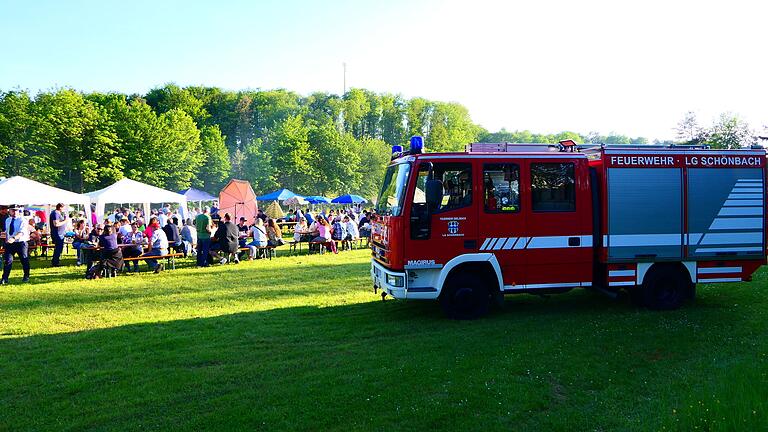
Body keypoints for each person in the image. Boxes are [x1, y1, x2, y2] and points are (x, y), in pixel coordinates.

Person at [1, 207, 31, 284]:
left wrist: (14, 238)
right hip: (10, 243)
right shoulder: (8, 220)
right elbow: (7, 231)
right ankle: (5, 278)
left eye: (16, 210)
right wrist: (4, 236)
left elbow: (22, 232)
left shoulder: (22, 220)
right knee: (8, 260)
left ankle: (26, 276)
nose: (14, 212)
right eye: (13, 210)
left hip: (21, 242)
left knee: (24, 260)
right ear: (9, 211)